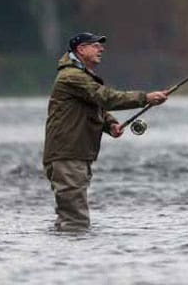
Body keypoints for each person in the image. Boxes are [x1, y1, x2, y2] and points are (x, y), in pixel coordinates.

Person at [42, 32, 168, 231]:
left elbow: (93, 106)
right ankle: (71, 259)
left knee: (69, 220)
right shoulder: (71, 76)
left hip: (73, 154)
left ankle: (63, 257)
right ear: (81, 50)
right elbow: (105, 97)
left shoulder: (80, 75)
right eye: (95, 45)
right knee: (76, 222)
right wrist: (145, 98)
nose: (101, 49)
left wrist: (109, 125)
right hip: (67, 155)